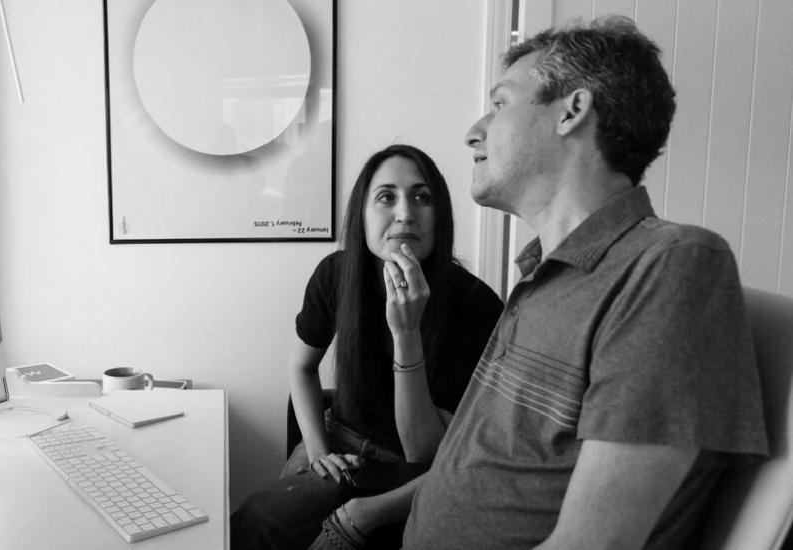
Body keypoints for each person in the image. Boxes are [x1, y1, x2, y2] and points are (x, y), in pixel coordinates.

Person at [307, 17, 769, 550]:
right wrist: (364, 515)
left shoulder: (670, 266)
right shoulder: (537, 280)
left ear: (572, 112)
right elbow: (464, 464)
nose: (474, 131)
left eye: (500, 103)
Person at [231, 144, 504, 549]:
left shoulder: (476, 305)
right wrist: (319, 452)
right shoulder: (336, 274)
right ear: (362, 213)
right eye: (386, 197)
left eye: (421, 197)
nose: (405, 213)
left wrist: (406, 333)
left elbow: (423, 453)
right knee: (256, 520)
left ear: (441, 216)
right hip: (338, 441)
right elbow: (301, 368)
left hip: (410, 470)